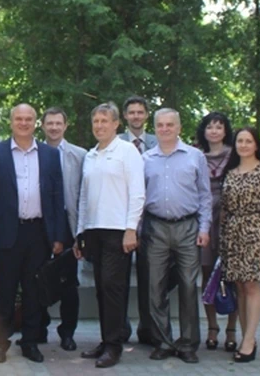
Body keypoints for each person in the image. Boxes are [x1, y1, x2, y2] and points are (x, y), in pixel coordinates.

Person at [0, 104, 66, 364]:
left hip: (39, 233)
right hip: (7, 232)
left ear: (35, 122)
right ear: (11, 121)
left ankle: (30, 342)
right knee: (5, 291)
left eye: (29, 119)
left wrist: (58, 236)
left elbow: (57, 197)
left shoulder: (50, 155)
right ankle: (0, 343)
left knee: (33, 292)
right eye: (19, 118)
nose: (24, 123)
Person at [74, 102, 145, 369]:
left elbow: (138, 192)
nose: (100, 126)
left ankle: (114, 346)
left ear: (116, 124)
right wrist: (80, 232)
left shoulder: (127, 152)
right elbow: (84, 197)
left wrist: (131, 228)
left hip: (118, 231)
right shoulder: (91, 156)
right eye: (96, 122)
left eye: (105, 121)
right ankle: (106, 341)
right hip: (94, 230)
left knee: (114, 288)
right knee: (101, 289)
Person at [142, 108, 212, 364]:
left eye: (170, 124)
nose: (165, 129)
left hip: (187, 228)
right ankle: (163, 341)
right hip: (156, 228)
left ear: (179, 128)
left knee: (187, 286)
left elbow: (205, 195)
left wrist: (204, 228)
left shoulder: (195, 157)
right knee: (155, 287)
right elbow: (139, 197)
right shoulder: (146, 158)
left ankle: (188, 344)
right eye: (160, 125)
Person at [220, 127, 260, 363]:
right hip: (233, 234)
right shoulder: (231, 172)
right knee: (239, 286)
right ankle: (248, 337)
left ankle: (248, 340)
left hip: (257, 232)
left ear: (257, 145)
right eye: (240, 141)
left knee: (252, 284)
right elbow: (225, 208)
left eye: (248, 141)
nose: (243, 145)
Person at [39, 107, 86, 351]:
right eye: (50, 123)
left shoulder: (80, 155)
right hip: (39, 226)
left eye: (58, 123)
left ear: (65, 126)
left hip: (69, 226)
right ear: (43, 126)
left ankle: (67, 332)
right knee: (37, 278)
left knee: (68, 284)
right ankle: (39, 328)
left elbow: (85, 196)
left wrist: (81, 233)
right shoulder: (35, 152)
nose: (54, 127)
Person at [118, 95, 159, 346]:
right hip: (121, 222)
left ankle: (149, 329)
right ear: (125, 116)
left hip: (151, 223)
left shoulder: (158, 143)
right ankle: (120, 329)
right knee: (119, 280)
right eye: (131, 112)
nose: (135, 116)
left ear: (146, 116)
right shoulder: (114, 142)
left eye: (140, 112)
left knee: (150, 279)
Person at [194, 111, 237, 352]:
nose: (214, 131)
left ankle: (232, 328)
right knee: (208, 274)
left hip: (230, 221)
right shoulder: (196, 156)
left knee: (233, 275)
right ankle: (212, 327)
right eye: (210, 126)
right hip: (205, 221)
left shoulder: (235, 155)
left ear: (225, 131)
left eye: (219, 126)